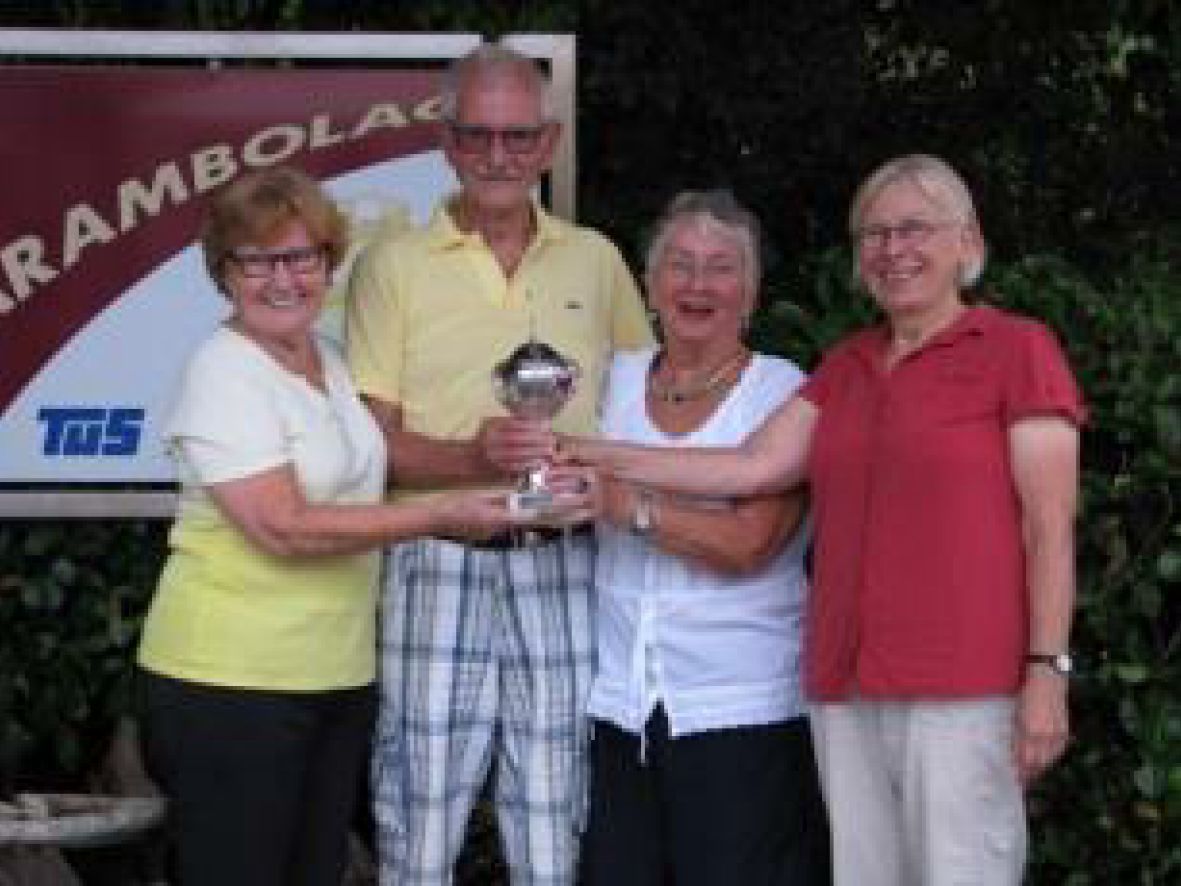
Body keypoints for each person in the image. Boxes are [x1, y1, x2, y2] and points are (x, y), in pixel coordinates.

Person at [562, 154, 1084, 886]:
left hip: (963, 683)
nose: (892, 249)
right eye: (873, 233)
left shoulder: (1015, 350)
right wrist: (573, 451)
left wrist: (1046, 672)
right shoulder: (847, 364)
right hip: (843, 683)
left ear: (965, 241)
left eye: (914, 228)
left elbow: (1049, 529)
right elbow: (747, 467)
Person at [136, 165, 538, 886]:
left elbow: (361, 489)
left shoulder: (326, 358)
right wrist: (437, 515)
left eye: (301, 256)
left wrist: (478, 502)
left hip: (334, 673)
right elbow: (283, 527)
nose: (282, 278)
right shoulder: (221, 372)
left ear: (328, 263)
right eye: (256, 260)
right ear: (222, 273)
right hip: (230, 682)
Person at [344, 43, 652, 884]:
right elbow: (368, 447)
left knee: (555, 816)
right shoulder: (390, 265)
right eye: (477, 136)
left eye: (518, 137)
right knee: (421, 811)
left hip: (564, 561)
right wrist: (470, 456)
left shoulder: (596, 259)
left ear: (549, 145)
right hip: (438, 557)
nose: (497, 157)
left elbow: (645, 421)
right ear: (445, 142)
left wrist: (602, 478)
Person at [576, 191, 829, 886]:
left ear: (749, 291)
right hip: (620, 705)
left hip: (739, 705)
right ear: (650, 284)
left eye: (720, 268)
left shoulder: (782, 392)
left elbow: (749, 543)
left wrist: (625, 505)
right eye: (679, 265)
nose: (697, 285)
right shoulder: (606, 383)